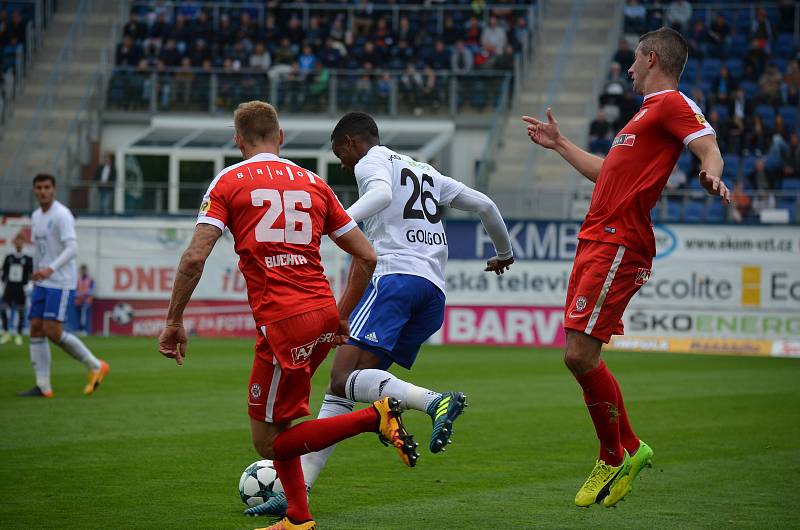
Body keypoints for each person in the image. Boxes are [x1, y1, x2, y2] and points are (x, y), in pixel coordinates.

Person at [157, 101, 418, 530]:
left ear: (237, 139)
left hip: (283, 321)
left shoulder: (228, 181)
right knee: (284, 422)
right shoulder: (314, 183)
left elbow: (193, 259)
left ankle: (376, 416)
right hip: (320, 313)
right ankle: (298, 517)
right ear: (280, 138)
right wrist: (339, 314)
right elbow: (367, 256)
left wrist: (173, 321)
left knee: (267, 441)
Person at [246, 111, 515, 517]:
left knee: (340, 377)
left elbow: (382, 197)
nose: (344, 164)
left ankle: (433, 401)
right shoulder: (426, 171)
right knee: (346, 386)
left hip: (394, 280)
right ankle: (297, 490)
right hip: (432, 292)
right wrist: (504, 254)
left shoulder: (372, 160)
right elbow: (485, 204)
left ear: (353, 143)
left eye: (341, 155)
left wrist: (334, 224)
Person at [522, 27, 730, 508]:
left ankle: (615, 455)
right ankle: (629, 449)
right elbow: (605, 173)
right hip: (597, 238)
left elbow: (708, 144)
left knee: (578, 355)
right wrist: (559, 144)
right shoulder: (642, 118)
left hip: (619, 242)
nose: (629, 69)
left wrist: (711, 172)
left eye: (635, 61)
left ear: (652, 58)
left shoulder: (673, 103)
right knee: (580, 355)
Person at [18, 174, 110, 398]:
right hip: (43, 281)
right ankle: (43, 386)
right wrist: (37, 272)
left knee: (52, 330)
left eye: (47, 187)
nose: (43, 191)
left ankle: (96, 365)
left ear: (54, 190)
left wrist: (50, 268)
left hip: (60, 282)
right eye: (39, 187)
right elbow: (42, 249)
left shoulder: (61, 215)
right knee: (36, 328)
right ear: (34, 190)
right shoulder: (36, 216)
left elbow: (72, 249)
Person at [1, 233, 33, 346]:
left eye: (21, 240)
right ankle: (6, 333)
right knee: (3, 309)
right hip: (9, 287)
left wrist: (28, 286)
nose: (18, 242)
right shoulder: (9, 257)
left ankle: (18, 334)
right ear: (14, 242)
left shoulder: (27, 258)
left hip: (21, 288)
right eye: (17, 240)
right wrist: (3, 284)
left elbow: (31, 274)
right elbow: (3, 273)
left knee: (20, 312)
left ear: (23, 242)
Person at [74, 264, 95, 335]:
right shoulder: (78, 280)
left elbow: (91, 291)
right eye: (82, 270)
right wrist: (78, 295)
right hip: (78, 301)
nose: (83, 271)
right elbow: (75, 290)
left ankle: (83, 330)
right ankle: (79, 329)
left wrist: (83, 295)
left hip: (86, 301)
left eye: (84, 270)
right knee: (78, 316)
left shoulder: (90, 280)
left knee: (84, 316)